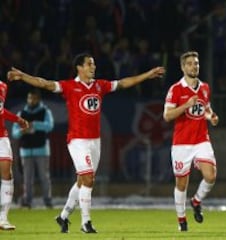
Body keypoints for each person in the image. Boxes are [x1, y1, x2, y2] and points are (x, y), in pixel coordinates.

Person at [7, 53, 165, 233]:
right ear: (79, 68)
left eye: (94, 64)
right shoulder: (70, 86)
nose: (93, 67)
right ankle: (85, 222)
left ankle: (63, 216)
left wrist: (147, 75)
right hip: (77, 141)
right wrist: (23, 76)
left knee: (83, 180)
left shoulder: (100, 85)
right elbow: (44, 83)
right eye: (89, 64)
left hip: (95, 141)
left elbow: (123, 83)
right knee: (88, 178)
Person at [163, 51, 219, 231]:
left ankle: (196, 201)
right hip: (182, 144)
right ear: (182, 67)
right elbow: (167, 116)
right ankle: (182, 220)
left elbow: (206, 109)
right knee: (181, 183)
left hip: (201, 140)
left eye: (196, 63)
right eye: (189, 64)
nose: (194, 66)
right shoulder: (175, 89)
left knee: (210, 175)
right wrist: (185, 105)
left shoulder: (205, 88)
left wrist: (211, 117)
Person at [12, 88, 54, 208]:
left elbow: (49, 126)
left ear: (38, 99)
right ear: (27, 99)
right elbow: (14, 133)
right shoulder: (21, 114)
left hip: (42, 150)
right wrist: (22, 130)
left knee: (44, 177)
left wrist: (34, 124)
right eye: (30, 98)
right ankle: (27, 201)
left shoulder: (45, 111)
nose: (31, 100)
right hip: (26, 150)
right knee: (27, 179)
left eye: (34, 98)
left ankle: (47, 201)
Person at [0, 80, 29, 230]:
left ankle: (3, 218)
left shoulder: (3, 86)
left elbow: (0, 110)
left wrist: (17, 120)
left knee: (7, 174)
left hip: (1, 137)